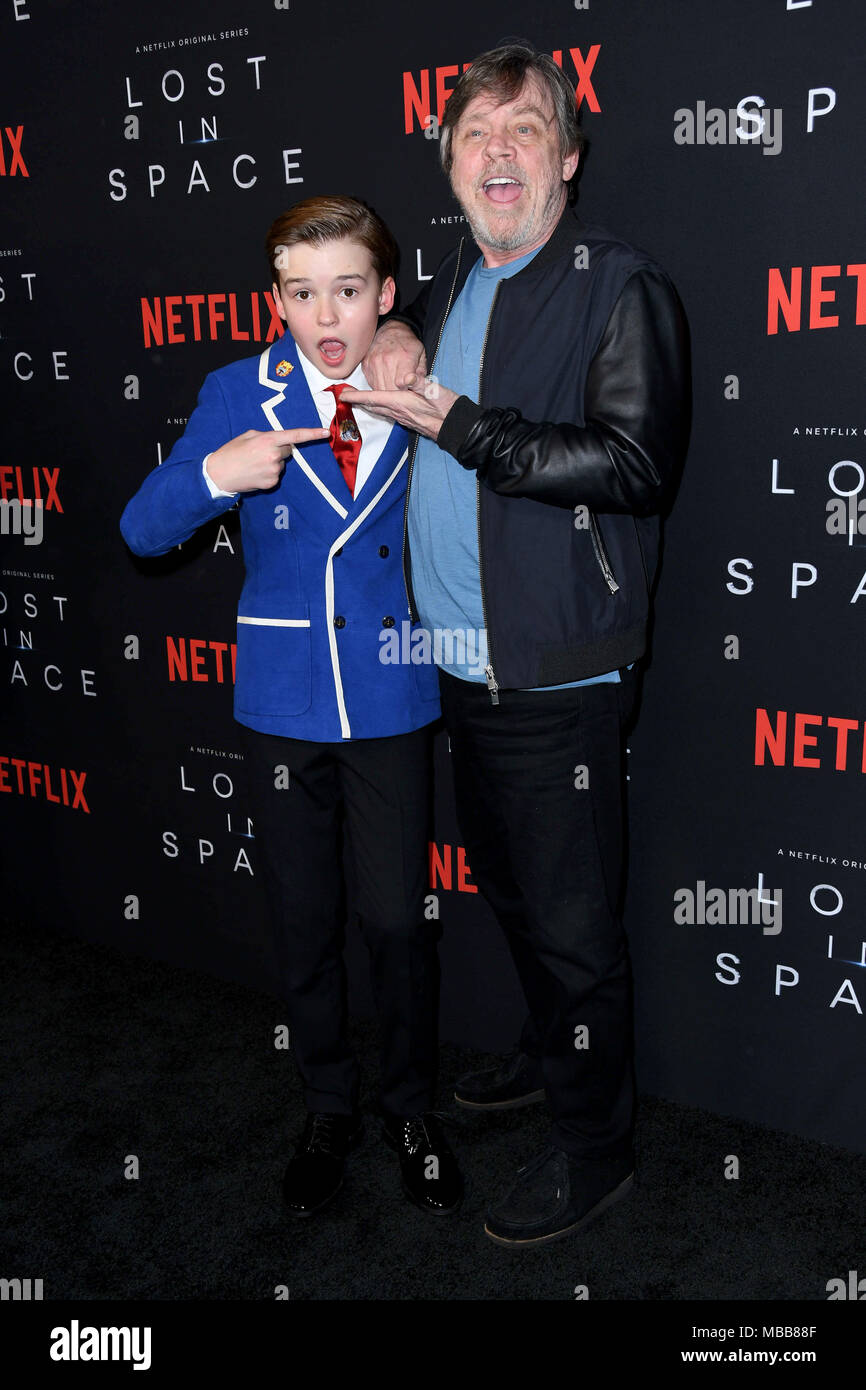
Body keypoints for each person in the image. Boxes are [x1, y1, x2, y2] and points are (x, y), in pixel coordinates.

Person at [349, 42, 690, 1246]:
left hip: (558, 669)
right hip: (459, 665)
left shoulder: (618, 284)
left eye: (523, 132)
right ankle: (559, 1062)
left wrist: (463, 423)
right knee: (516, 894)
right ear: (448, 165)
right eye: (474, 137)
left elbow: (635, 467)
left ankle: (596, 1149)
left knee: (572, 926)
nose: (497, 154)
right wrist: (398, 347)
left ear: (567, 158)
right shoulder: (454, 279)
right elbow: (407, 378)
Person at [120, 195, 464, 1220]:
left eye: (350, 291)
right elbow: (141, 530)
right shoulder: (237, 390)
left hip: (392, 695)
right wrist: (214, 477)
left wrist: (404, 346)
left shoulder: (416, 381)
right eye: (302, 291)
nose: (327, 314)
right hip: (282, 702)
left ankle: (409, 1107)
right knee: (304, 921)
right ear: (274, 298)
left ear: (384, 296)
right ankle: (327, 1104)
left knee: (399, 924)